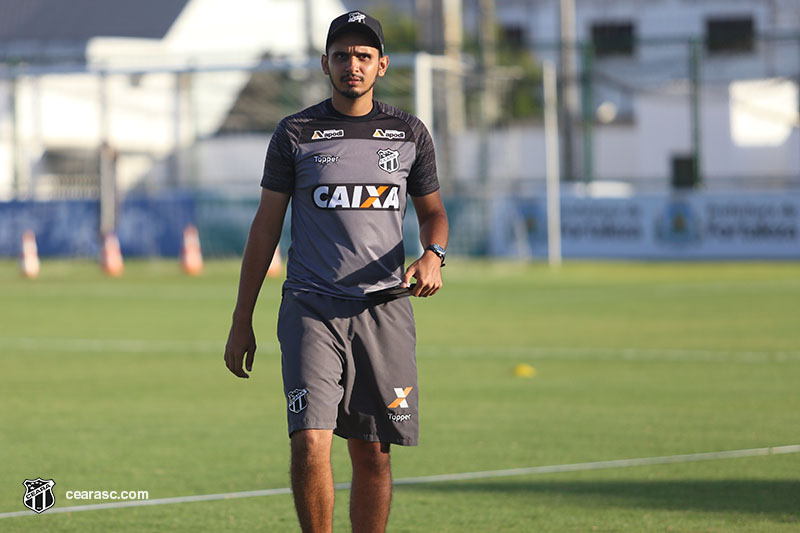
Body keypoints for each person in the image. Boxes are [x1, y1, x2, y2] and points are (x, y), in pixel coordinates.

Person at [223, 11, 449, 533]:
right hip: (310, 308)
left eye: (364, 56)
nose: (353, 64)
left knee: (372, 453)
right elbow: (265, 228)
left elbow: (433, 213)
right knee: (310, 441)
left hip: (384, 311)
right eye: (343, 55)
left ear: (382, 65)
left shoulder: (409, 132)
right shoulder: (295, 133)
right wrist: (241, 319)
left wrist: (433, 254)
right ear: (326, 63)